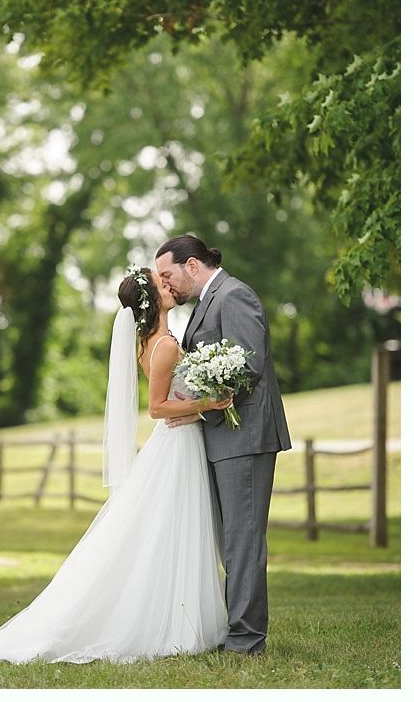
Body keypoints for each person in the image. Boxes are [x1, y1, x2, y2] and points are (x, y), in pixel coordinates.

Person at [0, 266, 232, 665]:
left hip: (175, 443)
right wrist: (209, 403)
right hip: (176, 446)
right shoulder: (165, 345)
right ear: (152, 300)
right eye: (160, 283)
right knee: (171, 530)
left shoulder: (148, 341)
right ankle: (172, 623)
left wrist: (196, 403)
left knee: (167, 532)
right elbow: (157, 408)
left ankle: (181, 617)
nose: (168, 285)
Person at [155, 235, 291, 655]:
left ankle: (246, 639)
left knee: (243, 540)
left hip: (244, 436)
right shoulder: (203, 305)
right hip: (220, 436)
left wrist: (203, 397)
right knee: (229, 539)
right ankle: (234, 629)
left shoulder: (234, 296)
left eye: (168, 275)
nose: (167, 284)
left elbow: (247, 364)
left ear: (192, 265)